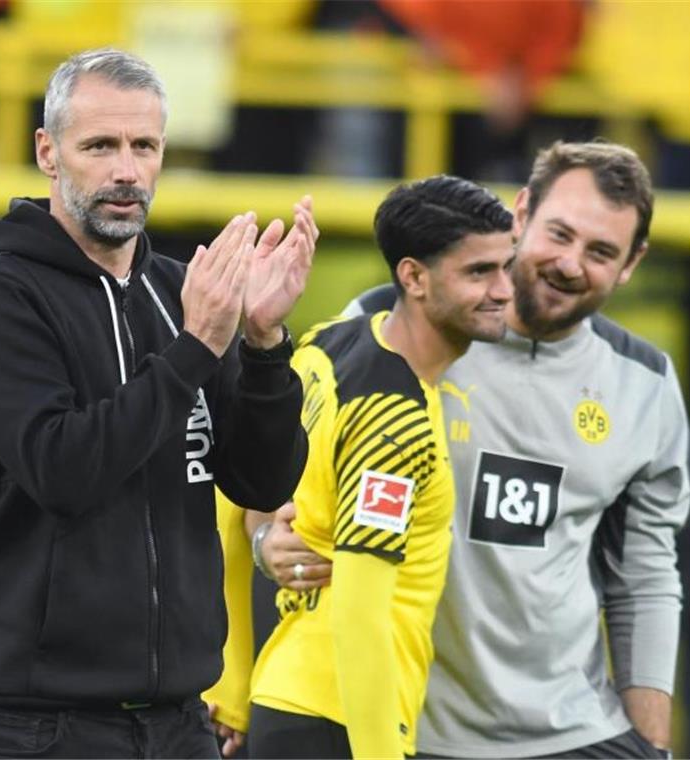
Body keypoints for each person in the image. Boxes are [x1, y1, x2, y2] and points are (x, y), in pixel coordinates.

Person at [253, 141, 690, 759]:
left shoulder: (645, 383)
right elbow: (272, 462)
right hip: (406, 727)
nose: (569, 264)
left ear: (632, 262)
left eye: (600, 252)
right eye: (558, 234)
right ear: (521, 213)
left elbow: (645, 575)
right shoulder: (388, 330)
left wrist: (650, 742)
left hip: (573, 731)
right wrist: (265, 540)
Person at [0, 47, 313, 759]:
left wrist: (263, 345)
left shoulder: (181, 294)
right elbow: (63, 470)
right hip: (31, 729)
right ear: (48, 152)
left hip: (178, 723)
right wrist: (197, 348)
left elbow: (262, 481)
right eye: (100, 145)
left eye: (145, 146)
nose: (126, 171)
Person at [210, 175, 516, 759]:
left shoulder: (330, 345)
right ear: (414, 277)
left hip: (289, 700)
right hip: (341, 724)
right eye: (479, 272)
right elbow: (360, 613)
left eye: (507, 266)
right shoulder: (396, 421)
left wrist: (233, 687)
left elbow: (235, 500)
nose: (504, 289)